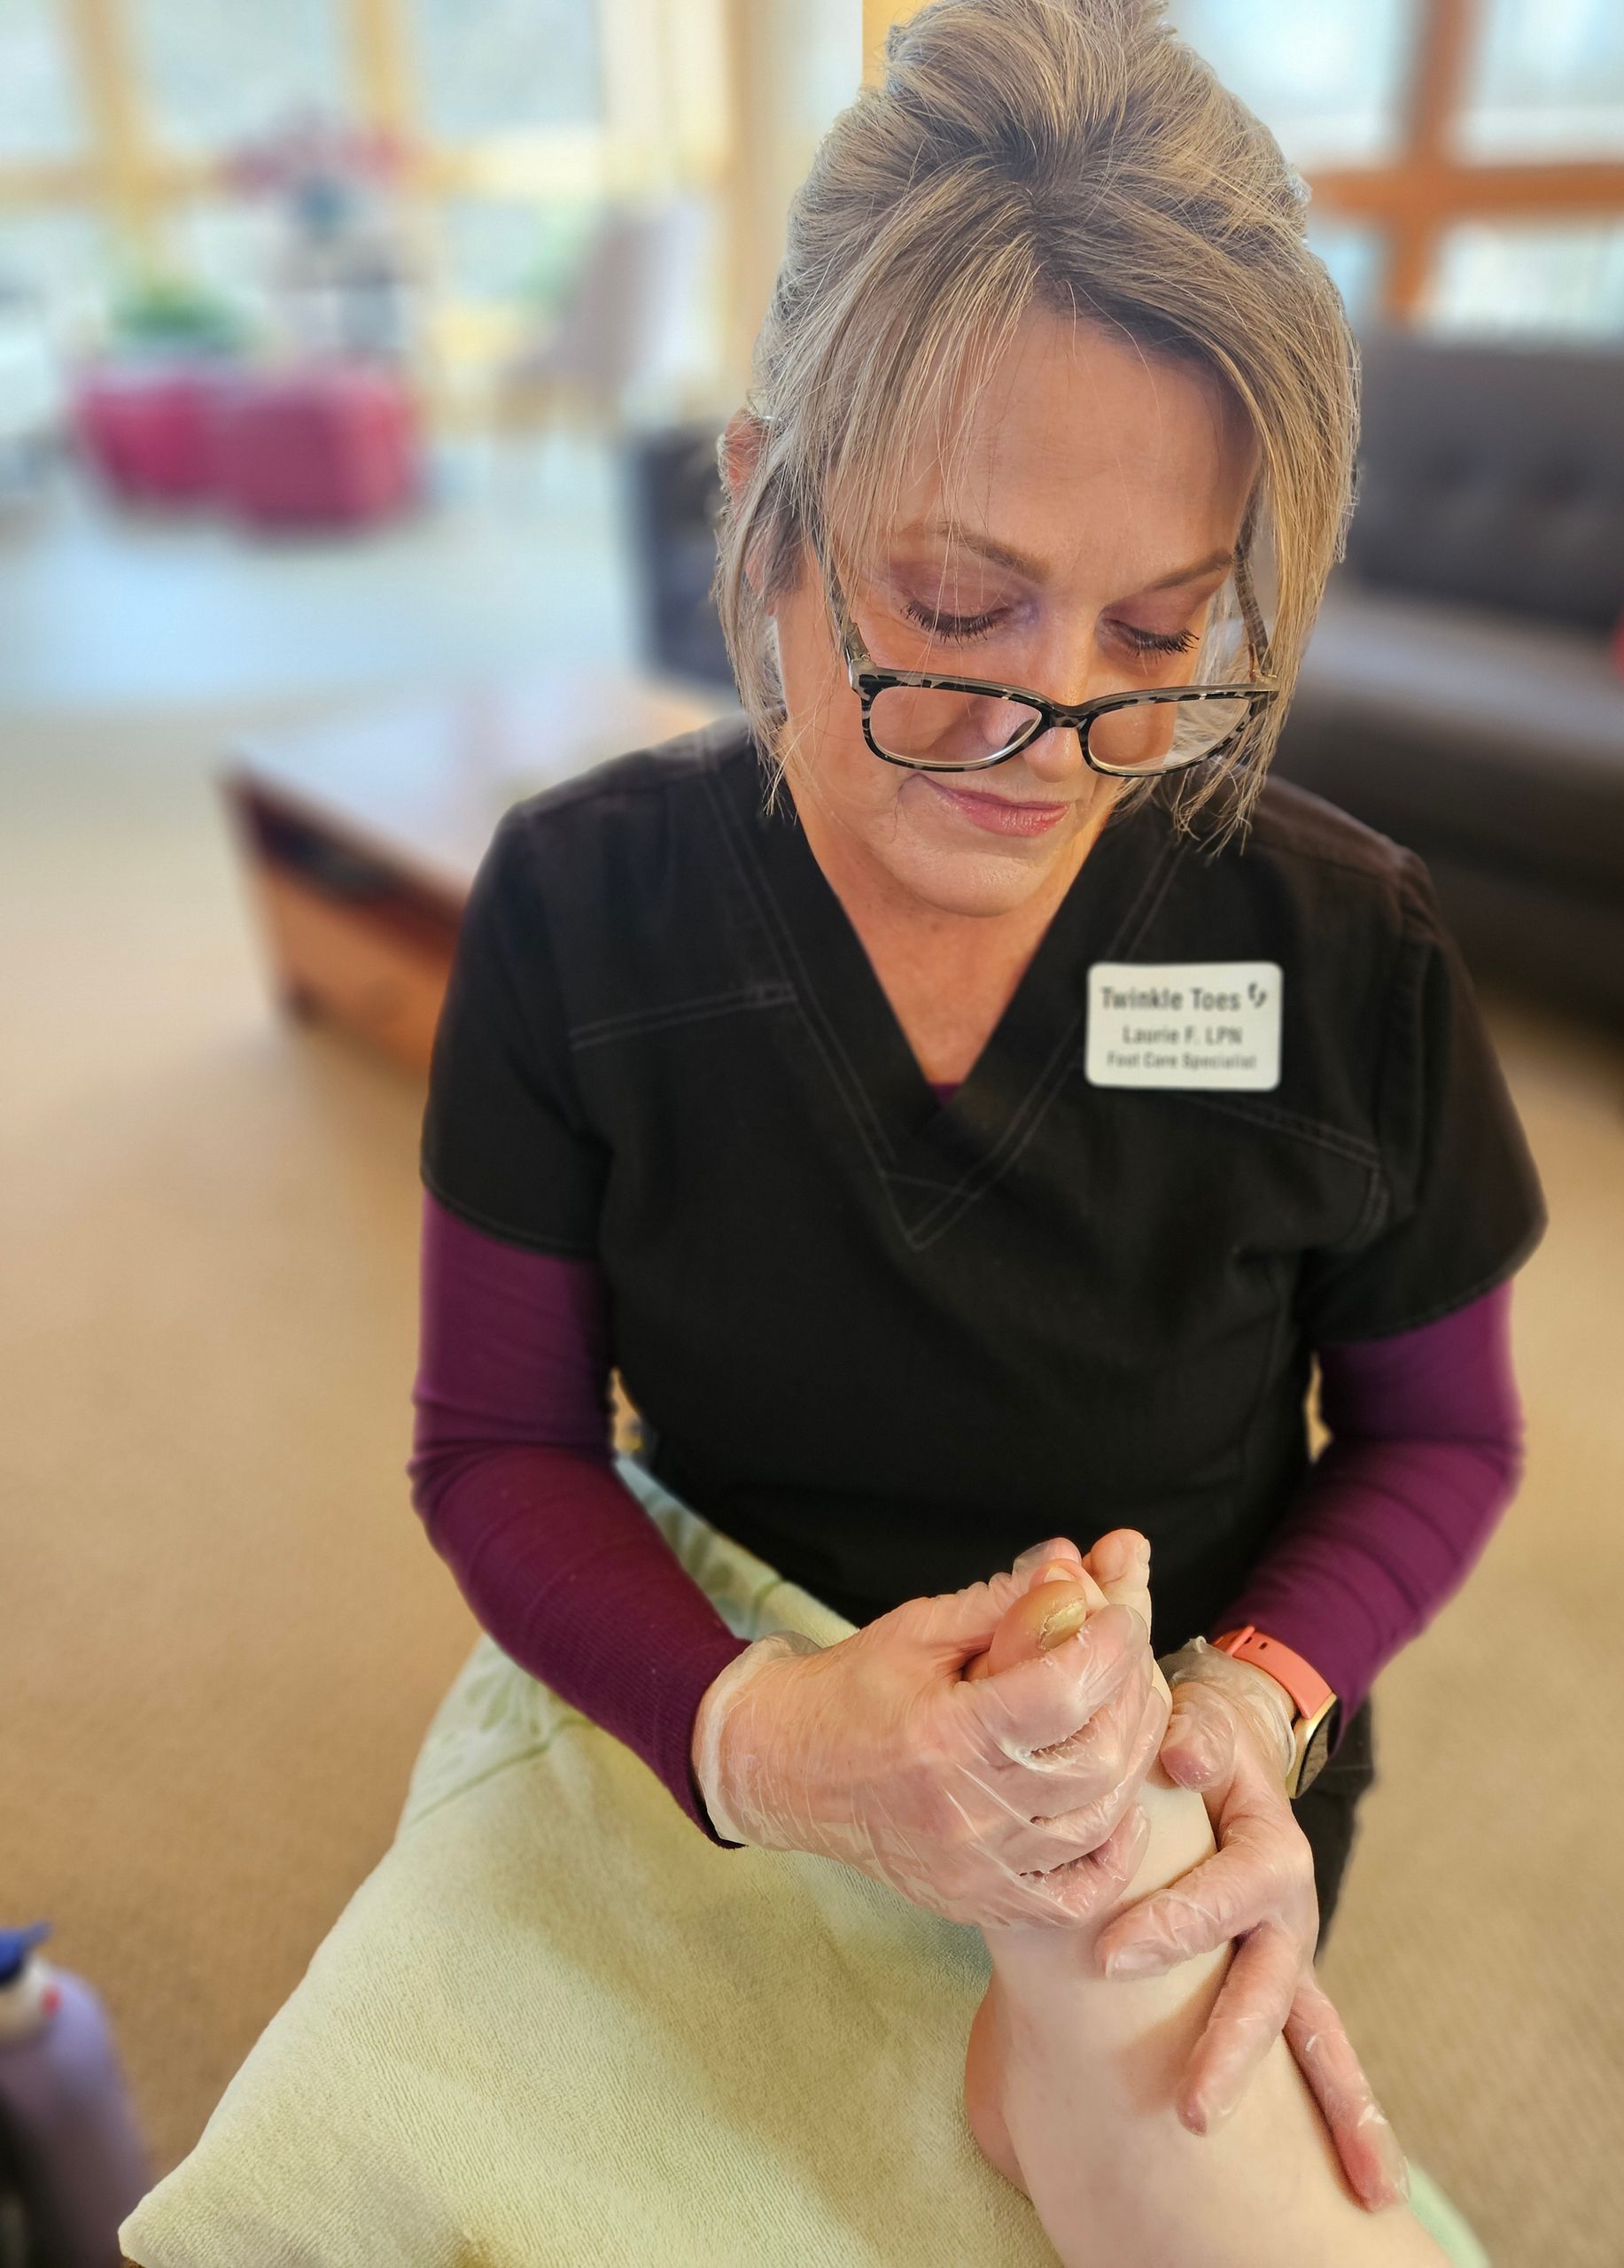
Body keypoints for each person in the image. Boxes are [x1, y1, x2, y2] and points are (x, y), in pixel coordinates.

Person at [408, 0, 1545, 2227]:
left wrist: (1242, 1710)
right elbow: (499, 1450)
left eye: (1156, 631)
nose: (1050, 731)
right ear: (764, 511)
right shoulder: (581, 910)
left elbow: (1445, 1435)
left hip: (1175, 1746)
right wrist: (760, 1732)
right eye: (952, 605)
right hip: (726, 1672)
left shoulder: (1339, 945)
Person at [961, 1533, 1448, 2264]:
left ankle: (1127, 1809)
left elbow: (1452, 1439)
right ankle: (1112, 1957)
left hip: (1238, 1680)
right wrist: (744, 1724)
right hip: (859, 1636)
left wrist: (1255, 1698)